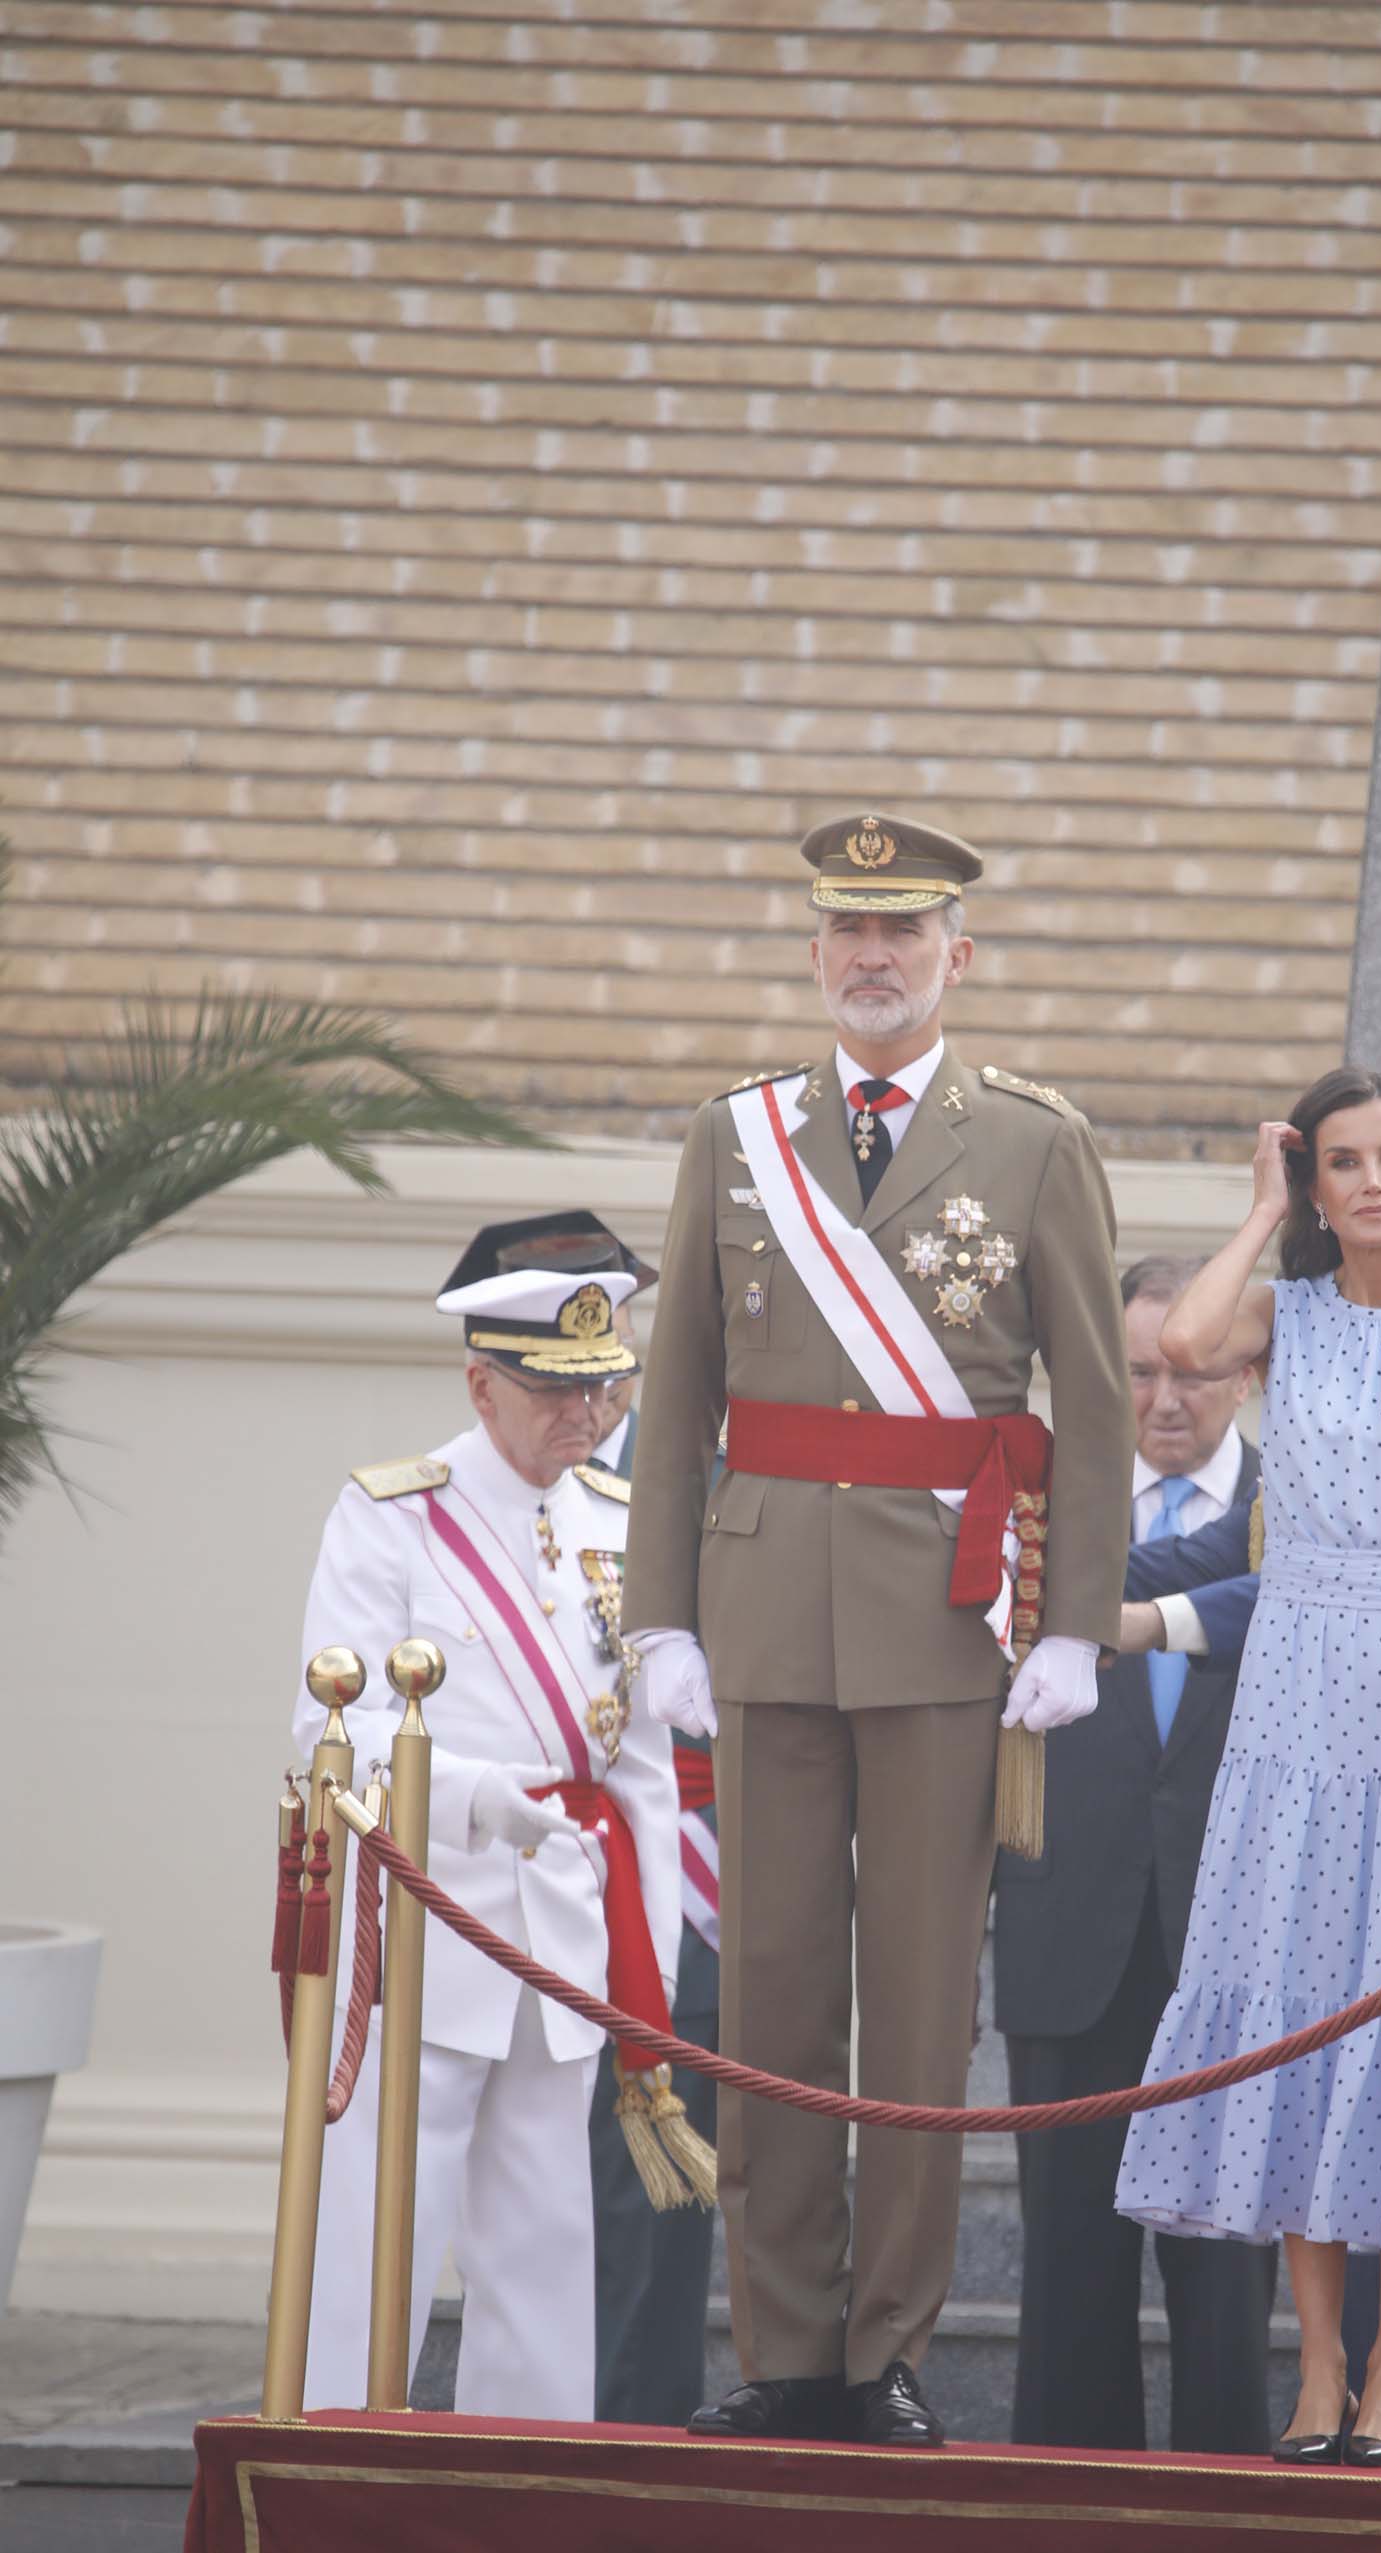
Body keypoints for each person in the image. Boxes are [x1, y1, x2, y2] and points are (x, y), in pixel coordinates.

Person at [622, 811, 1133, 2448]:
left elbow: (1097, 1402)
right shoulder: (737, 1136)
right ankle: (781, 2349)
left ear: (954, 958)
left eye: (902, 934)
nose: (871, 957)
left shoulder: (1035, 1142)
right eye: (846, 931)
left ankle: (888, 2350)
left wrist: (1072, 1625)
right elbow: (679, 1388)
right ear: (815, 949)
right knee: (768, 1986)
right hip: (763, 1610)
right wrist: (661, 1618)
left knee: (917, 1999)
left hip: (943, 1613)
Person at [1114, 1067, 1381, 2467]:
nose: (1368, 1182)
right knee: (1298, 2010)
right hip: (1292, 1694)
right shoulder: (1281, 1320)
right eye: (1340, 1162)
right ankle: (1317, 2375)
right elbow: (1181, 1337)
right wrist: (1256, 1209)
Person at [295, 1212, 684, 2420]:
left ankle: (527, 2513)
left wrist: (647, 1960)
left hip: (561, 1926)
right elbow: (325, 1731)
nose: (590, 1418)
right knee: (378, 2238)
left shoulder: (621, 1524)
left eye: (606, 1388)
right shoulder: (391, 1514)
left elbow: (645, 1772)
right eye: (559, 1393)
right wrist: (472, 1800)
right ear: (481, 1382)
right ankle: (333, 2507)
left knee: (545, 2246)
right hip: (425, 1918)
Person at [993, 1254, 1278, 2454]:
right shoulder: (1029, 1526)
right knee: (1068, 2284)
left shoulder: (1304, 1507)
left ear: (1251, 1375)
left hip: (1240, 1955)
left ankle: (1228, 2549)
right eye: (1142, 1371)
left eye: (1198, 1371)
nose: (1167, 1398)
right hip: (1071, 1943)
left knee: (1227, 2293)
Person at [578, 1274, 724, 2428]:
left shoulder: (763, 1482)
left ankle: (636, 2444)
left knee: (662, 2203)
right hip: (539, 1875)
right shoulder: (501, 1494)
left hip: (707, 1873)